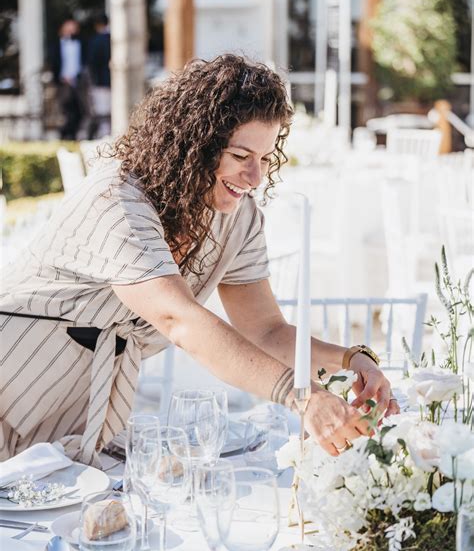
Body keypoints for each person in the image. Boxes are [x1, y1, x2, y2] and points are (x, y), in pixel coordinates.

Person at [0, 54, 398, 467]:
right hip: (9, 376)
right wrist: (302, 397)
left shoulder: (236, 219)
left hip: (72, 412)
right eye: (241, 156)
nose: (255, 176)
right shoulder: (117, 199)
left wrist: (352, 360)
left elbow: (266, 329)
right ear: (195, 142)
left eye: (264, 158)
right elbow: (179, 320)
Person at [50, 18, 86, 140]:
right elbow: (54, 63)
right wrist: (61, 78)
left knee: (79, 112)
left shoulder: (80, 43)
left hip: (78, 82)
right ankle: (65, 136)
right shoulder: (57, 45)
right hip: (63, 82)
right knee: (66, 111)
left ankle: (72, 135)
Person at [87, 12, 111, 139]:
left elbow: (92, 64)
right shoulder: (114, 39)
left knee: (102, 112)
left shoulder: (95, 41)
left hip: (100, 82)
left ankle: (104, 136)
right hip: (113, 82)